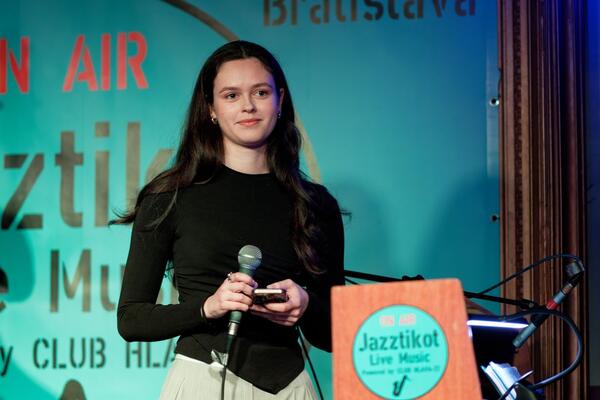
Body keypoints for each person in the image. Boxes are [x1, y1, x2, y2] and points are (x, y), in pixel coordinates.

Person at [115, 40, 345, 399]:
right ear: (211, 108)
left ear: (280, 101)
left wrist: (306, 305)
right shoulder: (170, 196)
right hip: (202, 380)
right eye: (231, 95)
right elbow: (131, 319)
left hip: (290, 386)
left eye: (261, 92)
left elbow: (334, 336)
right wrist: (209, 306)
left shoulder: (315, 204)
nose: (248, 105)